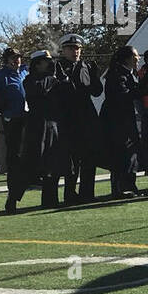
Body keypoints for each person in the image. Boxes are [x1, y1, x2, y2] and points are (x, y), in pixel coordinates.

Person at [7, 49, 74, 212]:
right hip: (38, 127)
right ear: (37, 64)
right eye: (46, 61)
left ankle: (50, 200)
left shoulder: (53, 79)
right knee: (30, 165)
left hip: (54, 124)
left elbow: (67, 95)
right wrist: (54, 77)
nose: (49, 64)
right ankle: (13, 198)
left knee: (54, 164)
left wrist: (64, 80)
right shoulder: (30, 80)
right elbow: (40, 90)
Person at [54, 34, 103, 204]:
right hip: (69, 118)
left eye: (78, 48)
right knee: (72, 160)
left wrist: (96, 77)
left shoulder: (86, 66)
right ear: (64, 50)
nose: (75, 51)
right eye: (71, 48)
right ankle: (70, 194)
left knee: (89, 157)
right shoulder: (58, 67)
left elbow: (96, 91)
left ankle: (87, 192)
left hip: (86, 117)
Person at [101, 45, 145, 198]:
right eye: (135, 56)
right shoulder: (117, 74)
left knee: (131, 155)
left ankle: (129, 185)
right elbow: (123, 96)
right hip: (118, 121)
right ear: (126, 58)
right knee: (122, 154)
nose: (138, 59)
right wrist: (143, 89)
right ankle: (121, 188)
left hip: (127, 120)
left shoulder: (128, 73)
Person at [0, 47, 27, 179]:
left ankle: (28, 173)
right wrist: (4, 110)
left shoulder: (24, 71)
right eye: (13, 58)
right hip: (12, 117)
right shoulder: (1, 76)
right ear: (6, 60)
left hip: (27, 115)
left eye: (18, 57)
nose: (17, 60)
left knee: (28, 146)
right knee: (14, 148)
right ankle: (14, 175)